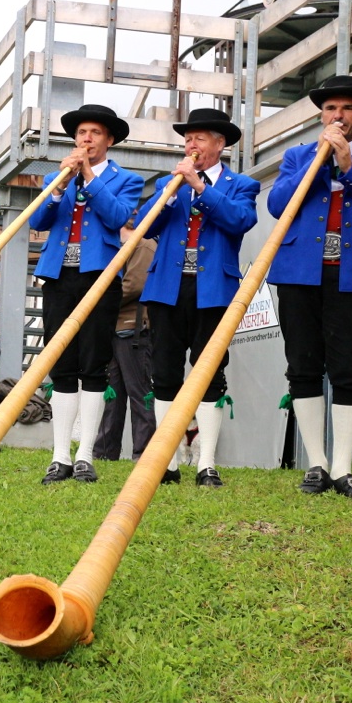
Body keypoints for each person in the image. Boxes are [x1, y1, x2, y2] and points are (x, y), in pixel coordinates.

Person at [267, 75, 352, 503]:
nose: (338, 116)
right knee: (303, 364)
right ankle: (317, 463)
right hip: (299, 273)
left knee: (350, 368)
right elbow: (277, 205)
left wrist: (350, 168)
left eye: (347, 108)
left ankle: (344, 467)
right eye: (331, 108)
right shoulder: (298, 155)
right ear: (321, 116)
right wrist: (318, 161)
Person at [139, 108, 260, 487]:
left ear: (220, 144)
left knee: (209, 371)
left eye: (200, 139)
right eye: (188, 139)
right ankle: (167, 460)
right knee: (164, 371)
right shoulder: (168, 183)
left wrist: (201, 188)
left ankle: (206, 462)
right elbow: (143, 225)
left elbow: (240, 221)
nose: (191, 145)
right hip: (166, 288)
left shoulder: (242, 185)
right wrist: (170, 195)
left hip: (214, 290)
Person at [32, 105, 143, 484]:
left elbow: (118, 217)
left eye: (95, 133)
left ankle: (85, 455)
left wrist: (89, 178)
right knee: (61, 363)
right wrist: (59, 186)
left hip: (100, 276)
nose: (86, 139)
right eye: (81, 133)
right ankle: (60, 455)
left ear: (109, 140)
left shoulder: (126, 179)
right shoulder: (56, 177)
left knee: (94, 363)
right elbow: (38, 221)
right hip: (58, 276)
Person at [94, 218, 156, 462]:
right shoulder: (126, 246)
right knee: (112, 394)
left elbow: (134, 286)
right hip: (117, 328)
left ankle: (144, 453)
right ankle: (104, 451)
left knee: (140, 393)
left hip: (134, 329)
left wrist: (99, 303)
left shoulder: (144, 244)